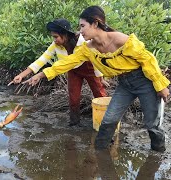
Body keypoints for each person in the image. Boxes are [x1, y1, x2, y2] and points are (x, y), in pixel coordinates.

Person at [25, 6, 170, 152]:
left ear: (95, 23)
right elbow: (66, 63)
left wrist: (160, 86)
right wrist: (40, 74)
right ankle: (100, 154)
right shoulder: (88, 48)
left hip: (144, 81)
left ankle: (157, 154)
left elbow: (148, 59)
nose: (80, 31)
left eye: (83, 26)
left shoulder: (120, 39)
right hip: (124, 84)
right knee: (108, 120)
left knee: (152, 124)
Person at [9, 18, 108, 126]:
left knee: (100, 94)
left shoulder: (83, 41)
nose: (54, 40)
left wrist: (101, 77)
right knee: (73, 97)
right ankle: (74, 123)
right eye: (53, 37)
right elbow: (42, 60)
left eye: (56, 37)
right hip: (71, 70)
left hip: (89, 68)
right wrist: (21, 75)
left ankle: (107, 122)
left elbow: (95, 58)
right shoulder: (55, 45)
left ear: (65, 35)